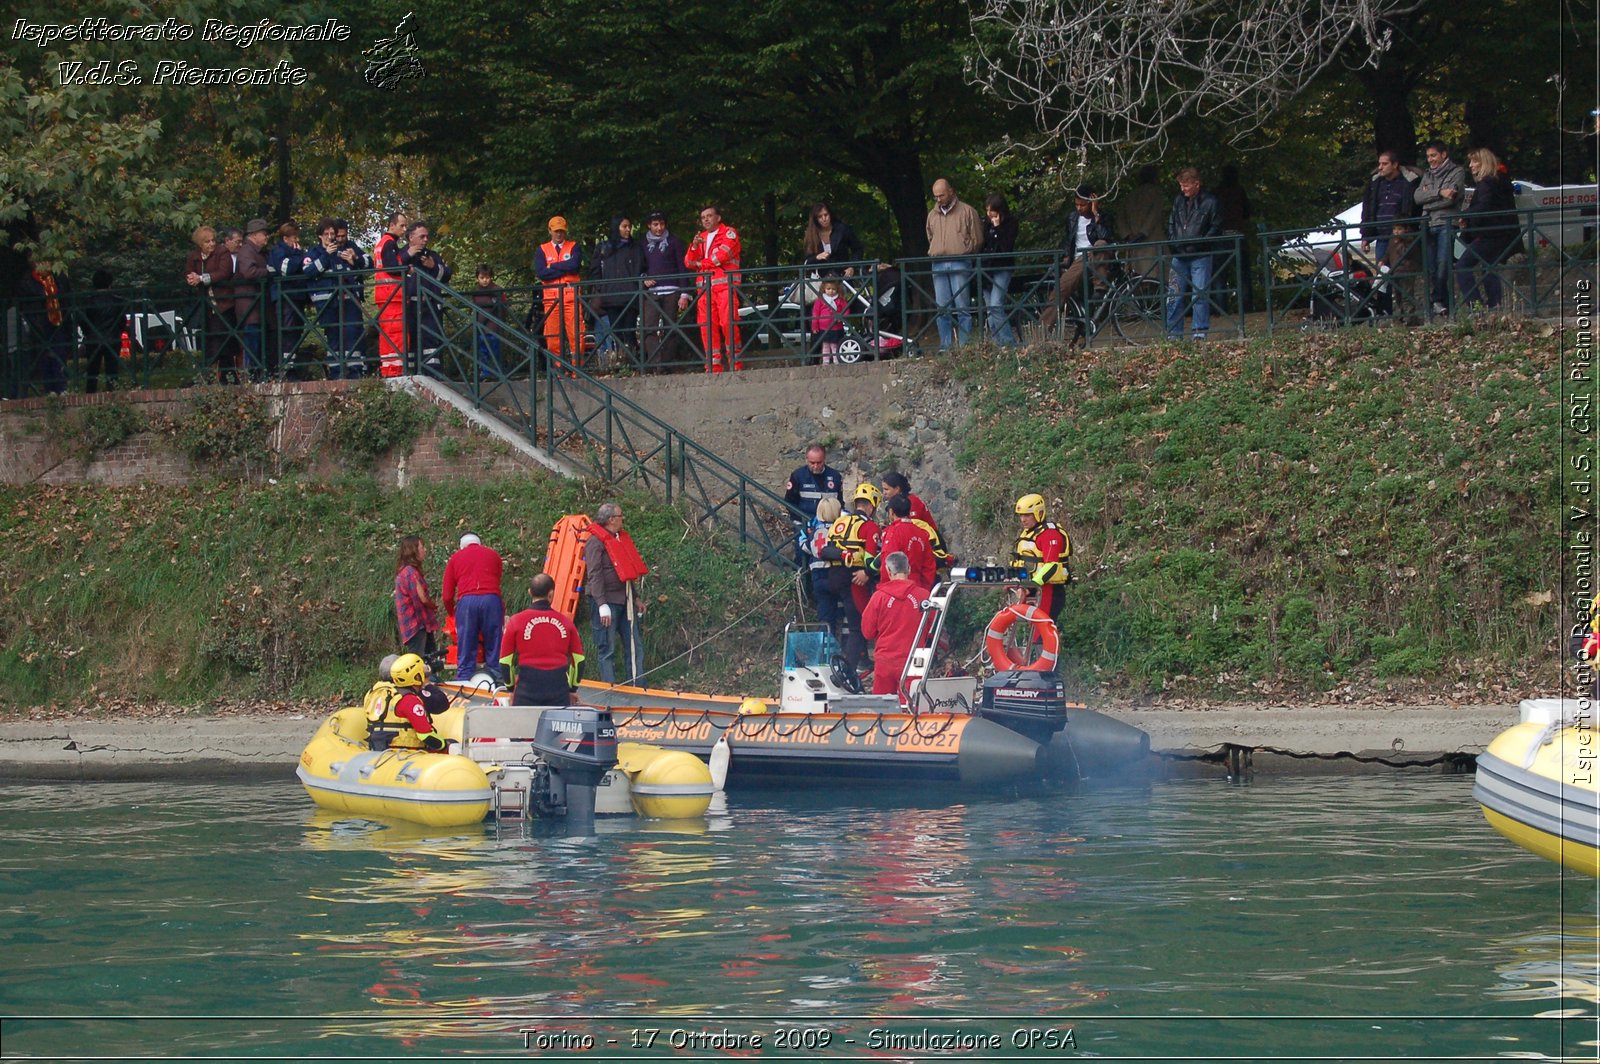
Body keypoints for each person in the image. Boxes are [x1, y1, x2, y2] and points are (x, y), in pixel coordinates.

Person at [581, 502, 650, 685]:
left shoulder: (619, 539)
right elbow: (594, 574)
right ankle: (610, 689)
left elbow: (626, 571)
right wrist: (601, 604)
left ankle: (637, 685)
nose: (623, 519)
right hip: (606, 603)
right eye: (620, 516)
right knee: (607, 648)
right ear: (611, 519)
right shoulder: (595, 542)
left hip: (625, 600)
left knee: (635, 646)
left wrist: (635, 598)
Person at [819, 483, 882, 680]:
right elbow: (871, 559)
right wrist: (869, 573)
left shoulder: (840, 522)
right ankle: (849, 671)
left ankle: (858, 659)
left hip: (833, 575)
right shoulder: (870, 526)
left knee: (850, 620)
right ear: (872, 506)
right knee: (859, 625)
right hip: (855, 577)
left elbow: (825, 551)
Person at [500, 573, 586, 706]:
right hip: (558, 691)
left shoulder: (515, 622)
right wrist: (572, 689)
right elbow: (579, 661)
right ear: (551, 594)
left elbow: (505, 662)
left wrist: (510, 689)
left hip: (526, 691)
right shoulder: (566, 623)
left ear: (529, 592)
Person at [301, 217, 371, 379]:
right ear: (319, 236)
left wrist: (354, 259)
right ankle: (336, 373)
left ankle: (355, 372)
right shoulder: (314, 253)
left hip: (349, 299)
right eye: (326, 233)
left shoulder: (344, 250)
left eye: (332, 233)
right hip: (327, 302)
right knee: (334, 336)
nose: (330, 236)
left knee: (353, 333)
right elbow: (309, 272)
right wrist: (326, 256)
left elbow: (367, 263)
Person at [860, 551, 930, 697]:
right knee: (913, 707)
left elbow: (867, 632)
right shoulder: (924, 596)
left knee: (883, 711)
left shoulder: (878, 597)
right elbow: (932, 629)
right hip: (916, 659)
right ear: (909, 569)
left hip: (886, 659)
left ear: (888, 570)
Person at [682, 203, 743, 372]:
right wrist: (694, 247)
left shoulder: (729, 233)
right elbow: (688, 262)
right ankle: (713, 364)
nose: (706, 219)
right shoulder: (700, 237)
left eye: (709, 216)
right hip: (704, 290)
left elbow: (721, 257)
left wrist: (701, 263)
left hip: (725, 286)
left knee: (728, 323)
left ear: (718, 218)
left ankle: (735, 362)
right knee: (707, 326)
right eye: (703, 217)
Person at [1455, 147, 1518, 311]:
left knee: (1463, 266)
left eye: (1474, 161)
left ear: (1484, 163)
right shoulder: (1497, 180)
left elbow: (1484, 206)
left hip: (1490, 233)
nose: (1471, 165)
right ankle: (1494, 305)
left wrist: (1466, 215)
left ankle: (1476, 306)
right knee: (1488, 267)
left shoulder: (1487, 183)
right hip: (1500, 232)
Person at [925, 177, 983, 347]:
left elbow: (977, 238)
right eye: (935, 196)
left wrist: (964, 250)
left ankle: (964, 346)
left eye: (941, 195)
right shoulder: (932, 215)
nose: (938, 199)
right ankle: (946, 346)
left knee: (962, 307)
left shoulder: (967, 211)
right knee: (942, 308)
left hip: (960, 261)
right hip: (938, 262)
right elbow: (930, 236)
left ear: (951, 191)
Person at [441, 532, 505, 685]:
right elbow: (497, 579)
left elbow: (447, 595)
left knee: (466, 641)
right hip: (491, 599)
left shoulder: (455, 558)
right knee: (494, 640)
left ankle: (464, 679)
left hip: (467, 601)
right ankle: (496, 679)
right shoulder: (494, 555)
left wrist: (452, 612)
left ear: (462, 546)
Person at [1165, 168, 1221, 341]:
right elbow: (1172, 223)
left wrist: (1201, 243)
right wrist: (1174, 242)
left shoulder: (1211, 202)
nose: (1183, 189)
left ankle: (1199, 332)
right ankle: (1174, 334)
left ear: (1197, 184)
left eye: (1186, 185)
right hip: (1179, 254)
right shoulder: (1178, 201)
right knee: (1174, 296)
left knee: (1199, 295)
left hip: (1200, 254)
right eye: (1181, 185)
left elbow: (1215, 227)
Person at [1414, 140, 1468, 316]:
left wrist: (1429, 201)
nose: (1430, 159)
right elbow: (1417, 197)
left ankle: (1437, 300)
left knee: (1443, 263)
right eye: (1428, 156)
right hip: (1427, 224)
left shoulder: (1457, 171)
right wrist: (1438, 192)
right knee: (1431, 266)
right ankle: (1442, 305)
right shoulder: (1428, 174)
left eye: (1433, 155)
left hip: (1446, 223)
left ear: (1444, 154)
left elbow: (1450, 198)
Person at [1056, 186, 1115, 337]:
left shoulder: (1103, 216)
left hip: (1092, 258)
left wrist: (1096, 215)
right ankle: (1044, 328)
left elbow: (1105, 236)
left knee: (1100, 245)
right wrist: (1066, 257)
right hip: (1077, 260)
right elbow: (1068, 241)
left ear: (1092, 201)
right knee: (1061, 290)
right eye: (1077, 204)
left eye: (1083, 204)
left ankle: (1099, 288)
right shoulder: (1072, 218)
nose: (1079, 208)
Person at [369, 652, 452, 752]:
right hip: (407, 753)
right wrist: (445, 746)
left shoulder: (374, 693)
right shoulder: (409, 699)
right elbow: (426, 735)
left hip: (380, 750)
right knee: (453, 745)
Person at [784, 444, 845, 578]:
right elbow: (788, 502)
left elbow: (840, 503)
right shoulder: (798, 476)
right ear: (807, 459)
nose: (815, 466)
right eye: (812, 463)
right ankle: (803, 588)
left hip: (829, 526)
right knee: (802, 555)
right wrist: (802, 522)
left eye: (819, 462)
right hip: (804, 523)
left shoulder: (835, 477)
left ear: (824, 460)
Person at [191, 226, 242, 383]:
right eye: (207, 241)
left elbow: (223, 273)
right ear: (200, 243)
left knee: (224, 341)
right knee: (211, 341)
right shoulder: (194, 256)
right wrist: (191, 279)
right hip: (207, 306)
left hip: (224, 304)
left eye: (213, 240)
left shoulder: (222, 253)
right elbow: (189, 271)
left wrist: (202, 278)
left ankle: (228, 377)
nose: (211, 244)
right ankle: (215, 377)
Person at [593, 214, 646, 361]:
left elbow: (642, 267)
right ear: (617, 228)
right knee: (616, 332)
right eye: (624, 226)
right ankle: (621, 361)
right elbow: (595, 270)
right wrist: (601, 287)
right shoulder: (604, 248)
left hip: (630, 295)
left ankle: (632, 361)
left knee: (629, 331)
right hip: (611, 296)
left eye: (629, 226)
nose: (628, 230)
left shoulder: (635, 247)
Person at [1013, 492, 1071, 626]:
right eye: (1021, 515)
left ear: (1038, 513)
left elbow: (1051, 565)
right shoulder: (1029, 533)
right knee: (1032, 630)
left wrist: (1031, 586)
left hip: (1049, 590)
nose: (1023, 519)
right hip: (1033, 588)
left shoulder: (1049, 534)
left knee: (1041, 631)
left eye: (1027, 515)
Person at [640, 210, 689, 371]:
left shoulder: (674, 241)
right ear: (649, 225)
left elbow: (683, 268)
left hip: (672, 289)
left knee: (671, 328)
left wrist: (684, 293)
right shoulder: (642, 244)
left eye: (661, 224)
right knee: (649, 327)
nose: (659, 228)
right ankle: (656, 364)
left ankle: (667, 364)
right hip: (652, 291)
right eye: (655, 224)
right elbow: (639, 267)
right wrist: (643, 278)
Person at [400, 221, 451, 368]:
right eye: (422, 236)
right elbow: (390, 269)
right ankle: (410, 375)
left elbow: (447, 275)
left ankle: (433, 375)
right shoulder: (400, 255)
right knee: (409, 342)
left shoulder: (432, 256)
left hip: (430, 308)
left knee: (431, 341)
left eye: (427, 237)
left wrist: (434, 266)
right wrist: (406, 258)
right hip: (408, 307)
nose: (425, 240)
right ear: (411, 237)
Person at [535, 216, 585, 364]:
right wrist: (565, 268)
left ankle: (578, 368)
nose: (559, 234)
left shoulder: (574, 246)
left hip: (571, 296)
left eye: (562, 231)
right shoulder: (542, 249)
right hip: (551, 297)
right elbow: (541, 272)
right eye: (556, 231)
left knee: (576, 332)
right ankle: (558, 369)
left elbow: (575, 266)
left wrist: (554, 266)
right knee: (552, 335)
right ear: (549, 231)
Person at [1360, 151, 1421, 266]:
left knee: (1401, 271)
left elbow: (1413, 208)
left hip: (1402, 236)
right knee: (1382, 273)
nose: (1380, 167)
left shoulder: (1408, 182)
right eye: (1379, 164)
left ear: (1394, 164)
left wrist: (1408, 229)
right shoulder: (1375, 183)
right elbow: (1368, 210)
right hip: (1381, 234)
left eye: (1384, 164)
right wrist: (1366, 235)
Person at [267, 222, 307, 377]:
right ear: (285, 238)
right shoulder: (278, 252)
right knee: (287, 330)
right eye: (294, 237)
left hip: (296, 296)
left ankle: (292, 364)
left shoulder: (292, 251)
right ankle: (285, 367)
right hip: (284, 297)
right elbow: (286, 270)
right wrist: (299, 256)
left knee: (296, 330)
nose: (296, 241)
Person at [373, 209, 410, 376]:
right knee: (396, 335)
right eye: (401, 226)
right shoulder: (389, 244)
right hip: (392, 296)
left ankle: (389, 369)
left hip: (385, 295)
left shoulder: (382, 243)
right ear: (392, 225)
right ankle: (395, 371)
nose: (404, 230)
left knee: (388, 335)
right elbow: (392, 268)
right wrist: (406, 269)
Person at [235, 219, 273, 381]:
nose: (267, 237)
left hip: (257, 307)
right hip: (250, 307)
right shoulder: (246, 251)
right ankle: (252, 377)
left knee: (258, 342)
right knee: (252, 343)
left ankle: (258, 375)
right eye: (264, 234)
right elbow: (249, 272)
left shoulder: (256, 252)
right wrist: (268, 272)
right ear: (254, 235)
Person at [77, 269, 123, 394]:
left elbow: (82, 320)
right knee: (112, 371)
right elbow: (122, 321)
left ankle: (90, 394)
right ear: (110, 284)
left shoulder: (88, 301)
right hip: (112, 338)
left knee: (92, 371)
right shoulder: (118, 301)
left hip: (93, 339)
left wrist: (88, 333)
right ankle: (113, 394)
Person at [1116, 165, 1167, 277]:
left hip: (1134, 243)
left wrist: (1128, 234)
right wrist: (1143, 233)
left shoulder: (1131, 195)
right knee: (1156, 275)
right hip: (1152, 241)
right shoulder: (1156, 193)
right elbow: (1154, 215)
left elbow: (1120, 217)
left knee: (1137, 276)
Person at [877, 494, 936, 590]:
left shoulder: (893, 532)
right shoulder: (921, 532)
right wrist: (924, 589)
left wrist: (884, 588)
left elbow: (887, 561)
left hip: (897, 588)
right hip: (918, 587)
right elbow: (929, 565)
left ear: (891, 512)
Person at [394, 534, 440, 657]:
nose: (424, 550)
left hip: (419, 624)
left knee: (430, 657)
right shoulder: (410, 572)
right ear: (413, 550)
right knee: (419, 661)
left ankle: (432, 676)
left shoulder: (405, 571)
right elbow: (422, 598)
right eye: (422, 547)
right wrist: (434, 606)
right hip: (416, 624)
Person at [981, 194, 1019, 344]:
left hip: (1002, 267)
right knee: (990, 309)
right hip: (987, 268)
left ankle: (1009, 343)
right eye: (987, 210)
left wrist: (997, 229)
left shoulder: (1011, 223)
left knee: (996, 305)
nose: (989, 214)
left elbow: (1006, 247)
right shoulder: (986, 224)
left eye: (992, 210)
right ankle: (998, 343)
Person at [807, 496, 845, 636]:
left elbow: (806, 547)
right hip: (834, 575)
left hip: (817, 577)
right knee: (842, 613)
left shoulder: (815, 531)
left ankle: (825, 650)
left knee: (825, 618)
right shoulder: (839, 530)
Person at [802, 203, 865, 278]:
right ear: (815, 219)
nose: (824, 218)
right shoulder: (811, 235)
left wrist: (852, 267)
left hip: (842, 276)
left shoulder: (842, 230)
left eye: (826, 215)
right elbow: (807, 261)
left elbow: (858, 249)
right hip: (820, 279)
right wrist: (817, 257)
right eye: (820, 217)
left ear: (830, 215)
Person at [469, 264, 509, 378]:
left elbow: (503, 308)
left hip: (494, 326)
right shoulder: (476, 292)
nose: (485, 280)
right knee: (483, 350)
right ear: (477, 278)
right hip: (480, 326)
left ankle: (497, 372)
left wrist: (501, 322)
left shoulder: (497, 290)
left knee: (495, 349)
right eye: (482, 278)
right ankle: (485, 373)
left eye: (487, 277)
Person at [811, 278, 850, 364]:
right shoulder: (820, 300)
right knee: (825, 345)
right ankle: (826, 361)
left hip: (836, 327)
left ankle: (836, 360)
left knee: (835, 345)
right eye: (828, 289)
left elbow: (846, 309)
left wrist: (843, 317)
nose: (831, 291)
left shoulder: (840, 300)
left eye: (833, 289)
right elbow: (815, 313)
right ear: (824, 289)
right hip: (823, 327)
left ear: (837, 289)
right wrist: (814, 325)